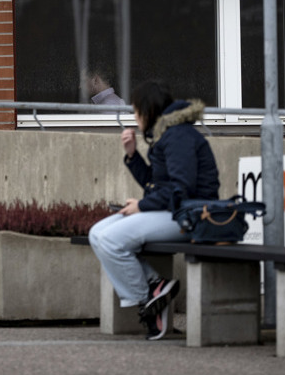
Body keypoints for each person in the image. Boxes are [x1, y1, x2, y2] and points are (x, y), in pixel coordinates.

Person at [88, 81, 219, 340]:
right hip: (172, 210)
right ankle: (154, 287)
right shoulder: (165, 134)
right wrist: (132, 156)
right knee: (96, 233)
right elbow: (156, 184)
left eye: (136, 111)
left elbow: (182, 188)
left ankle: (147, 299)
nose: (134, 118)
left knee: (112, 239)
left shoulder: (178, 136)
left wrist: (142, 206)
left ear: (147, 111)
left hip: (191, 216)